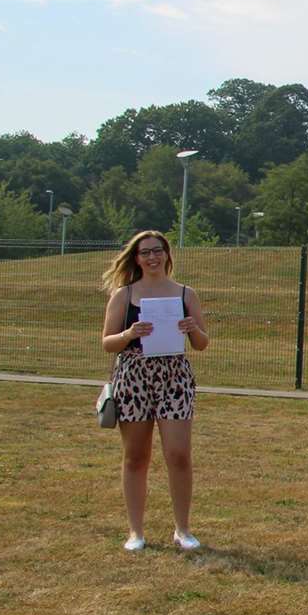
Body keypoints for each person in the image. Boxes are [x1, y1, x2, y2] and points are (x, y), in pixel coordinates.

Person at [99, 230, 209, 552]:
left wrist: (193, 329)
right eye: (145, 252)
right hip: (133, 377)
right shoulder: (123, 295)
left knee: (178, 454)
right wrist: (129, 333)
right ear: (136, 258)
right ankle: (136, 532)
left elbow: (202, 344)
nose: (152, 257)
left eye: (157, 250)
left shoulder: (186, 294)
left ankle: (183, 530)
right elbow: (107, 343)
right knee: (136, 457)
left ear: (167, 254)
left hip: (174, 377)